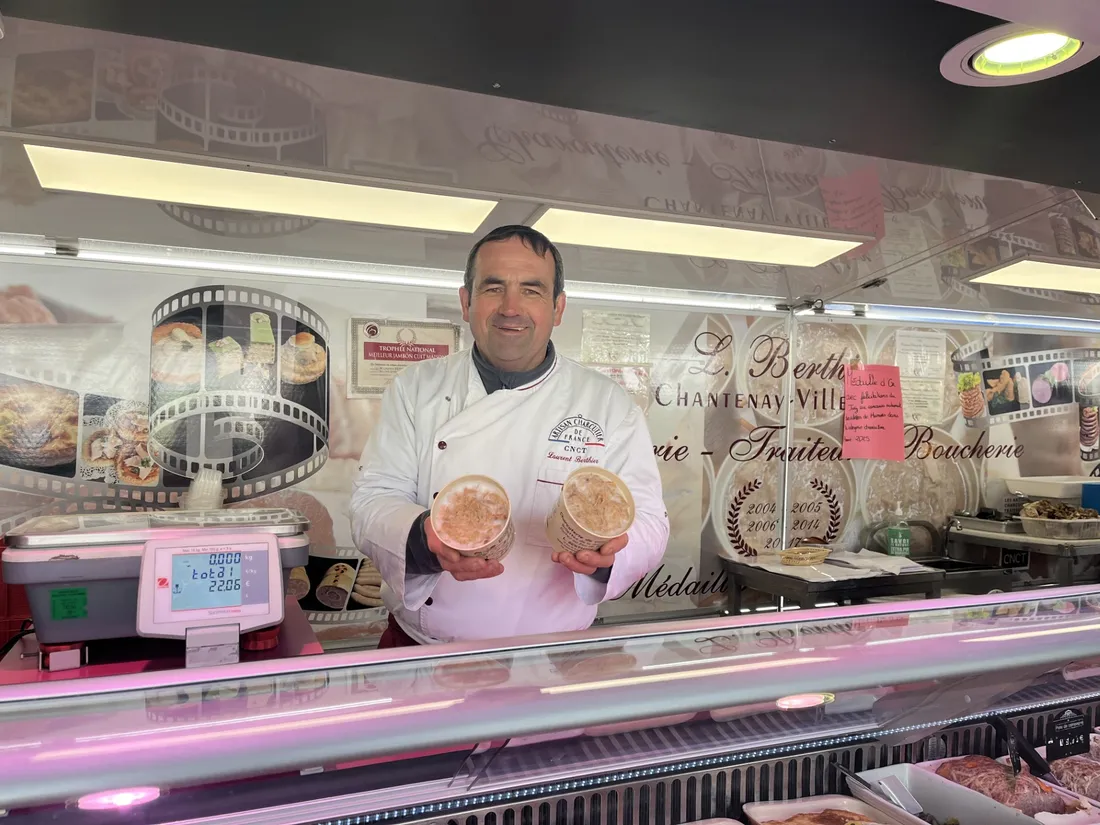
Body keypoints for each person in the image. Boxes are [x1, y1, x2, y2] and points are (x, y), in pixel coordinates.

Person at [349, 225, 669, 646]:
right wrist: (427, 542)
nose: (511, 308)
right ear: (466, 302)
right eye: (493, 288)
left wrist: (607, 556)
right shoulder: (416, 388)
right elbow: (371, 499)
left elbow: (649, 521)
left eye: (532, 290)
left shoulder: (608, 404)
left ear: (558, 308)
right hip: (425, 649)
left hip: (555, 655)